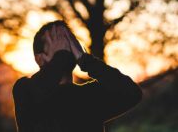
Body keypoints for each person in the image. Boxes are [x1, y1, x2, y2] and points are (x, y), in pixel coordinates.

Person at [12, 20, 143, 132]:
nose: (65, 46)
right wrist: (61, 56)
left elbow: (131, 93)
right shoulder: (25, 89)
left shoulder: (90, 95)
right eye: (58, 40)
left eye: (68, 40)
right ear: (40, 59)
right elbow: (38, 92)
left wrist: (85, 60)